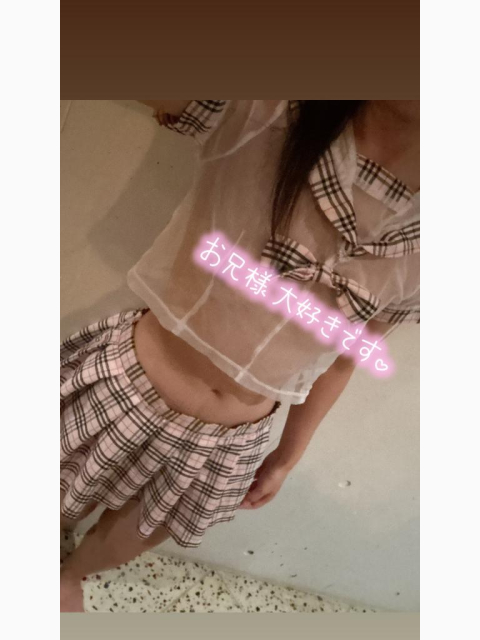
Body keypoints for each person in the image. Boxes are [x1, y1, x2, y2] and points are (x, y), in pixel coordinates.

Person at [60, 99, 420, 611]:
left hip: (233, 439)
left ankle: (71, 575)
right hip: (129, 380)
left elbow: (345, 357)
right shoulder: (266, 110)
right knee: (61, 481)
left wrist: (288, 455)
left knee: (142, 529)